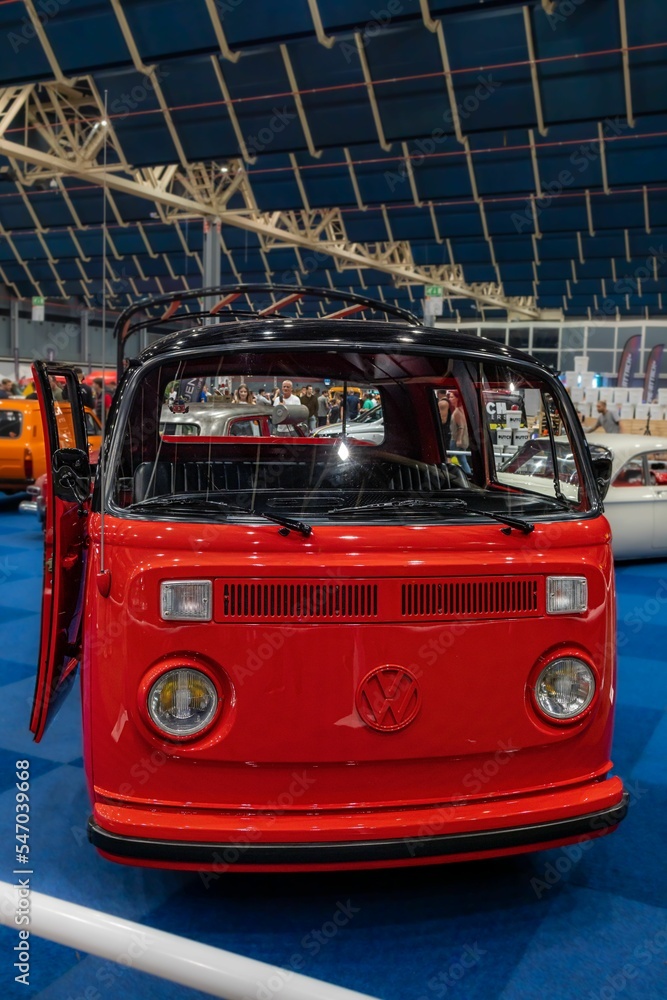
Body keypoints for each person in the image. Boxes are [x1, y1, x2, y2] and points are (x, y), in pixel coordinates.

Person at [449, 390, 471, 475]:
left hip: (455, 440)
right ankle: (466, 474)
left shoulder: (457, 411)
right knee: (461, 459)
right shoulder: (461, 410)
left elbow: (461, 426)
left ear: (457, 398)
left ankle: (466, 474)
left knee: (453, 458)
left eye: (452, 397)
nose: (450, 399)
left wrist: (458, 439)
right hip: (461, 439)